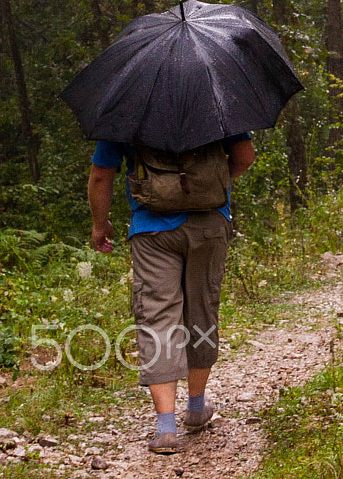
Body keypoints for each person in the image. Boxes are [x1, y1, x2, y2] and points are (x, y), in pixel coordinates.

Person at [87, 133, 255, 455]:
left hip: (151, 229)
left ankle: (166, 428)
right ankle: (195, 407)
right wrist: (209, 183)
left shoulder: (126, 111)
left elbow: (100, 175)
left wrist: (100, 224)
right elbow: (245, 156)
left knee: (157, 316)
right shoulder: (214, 101)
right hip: (209, 223)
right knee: (202, 312)